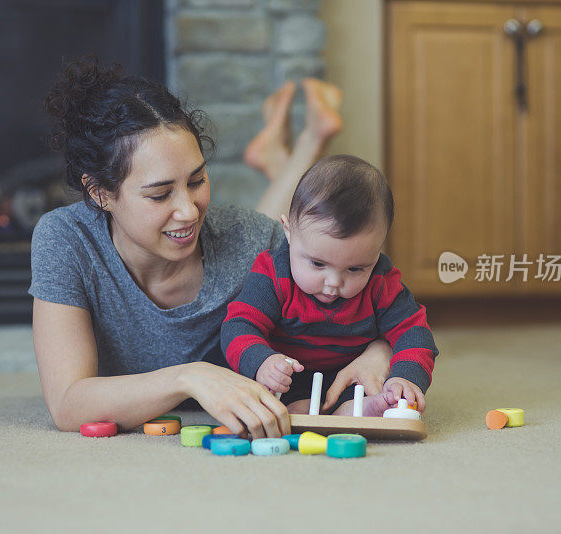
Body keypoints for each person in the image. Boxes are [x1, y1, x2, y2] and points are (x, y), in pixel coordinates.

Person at [29, 56, 393, 439]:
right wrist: (192, 377)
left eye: (197, 180)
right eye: (160, 194)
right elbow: (68, 402)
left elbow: (368, 285)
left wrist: (380, 351)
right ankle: (289, 152)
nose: (188, 211)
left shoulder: (255, 242)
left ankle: (287, 152)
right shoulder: (66, 239)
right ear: (100, 192)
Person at [221, 155, 438, 416]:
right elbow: (239, 325)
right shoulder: (272, 273)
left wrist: (406, 378)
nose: (334, 283)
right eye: (317, 264)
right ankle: (312, 410)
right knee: (282, 407)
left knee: (369, 392)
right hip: (289, 376)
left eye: (355, 268)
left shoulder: (381, 282)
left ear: (378, 249)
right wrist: (262, 362)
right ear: (289, 232)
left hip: (352, 374)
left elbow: (414, 332)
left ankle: (365, 408)